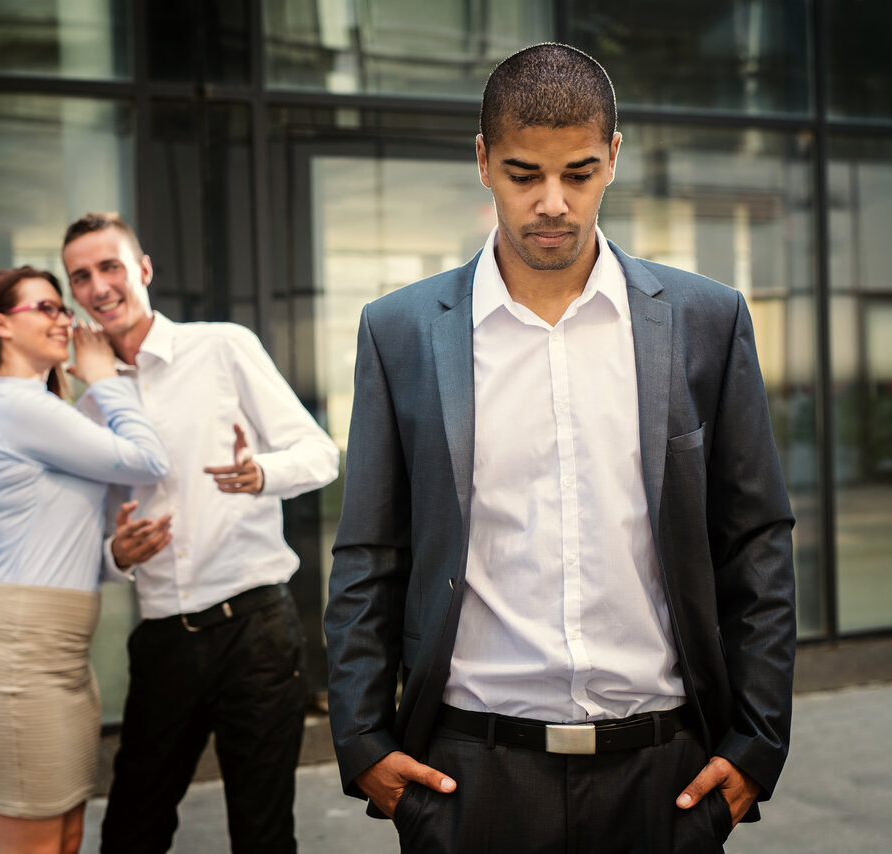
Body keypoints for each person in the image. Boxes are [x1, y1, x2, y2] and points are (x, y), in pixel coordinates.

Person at [324, 43, 796, 854]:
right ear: (481, 161)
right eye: (522, 174)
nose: (551, 203)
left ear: (613, 156)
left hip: (664, 779)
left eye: (577, 174)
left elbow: (754, 541)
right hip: (469, 778)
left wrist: (755, 743)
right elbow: (370, 549)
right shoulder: (399, 331)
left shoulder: (703, 321)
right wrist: (363, 742)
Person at [60, 212, 340, 854]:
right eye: (82, 276)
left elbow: (319, 455)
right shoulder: (87, 405)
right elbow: (94, 542)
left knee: (263, 833)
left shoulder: (221, 348)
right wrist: (115, 555)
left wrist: (259, 472)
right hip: (166, 640)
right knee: (132, 828)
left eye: (110, 267)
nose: (99, 286)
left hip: (256, 634)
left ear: (144, 270)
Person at [0, 266, 170, 854]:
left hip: (63, 658)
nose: (65, 320)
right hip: (23, 660)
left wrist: (113, 555)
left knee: (66, 839)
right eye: (45, 308)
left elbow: (49, 546)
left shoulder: (43, 411)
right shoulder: (17, 407)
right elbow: (149, 461)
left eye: (61, 308)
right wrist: (104, 378)